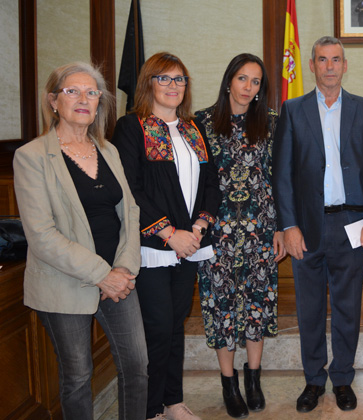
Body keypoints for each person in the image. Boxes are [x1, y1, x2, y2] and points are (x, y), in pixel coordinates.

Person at [13, 62, 147, 419]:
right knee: (77, 377)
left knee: (137, 366)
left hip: (119, 277)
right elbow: (41, 235)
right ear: (53, 100)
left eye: (92, 92)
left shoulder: (109, 151)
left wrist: (123, 268)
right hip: (64, 281)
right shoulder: (31, 157)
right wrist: (102, 274)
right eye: (72, 91)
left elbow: (130, 213)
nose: (84, 99)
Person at [273, 36, 363, 413]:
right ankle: (313, 380)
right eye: (323, 60)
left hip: (352, 222)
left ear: (345, 65)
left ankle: (342, 378)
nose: (330, 66)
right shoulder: (293, 109)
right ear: (312, 65)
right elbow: (282, 174)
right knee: (309, 308)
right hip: (306, 226)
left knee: (348, 306)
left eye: (336, 59)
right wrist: (288, 226)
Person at [113, 52, 221, 420]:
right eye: (164, 78)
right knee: (157, 329)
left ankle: (173, 401)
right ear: (148, 83)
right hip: (153, 247)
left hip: (190, 244)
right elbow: (129, 188)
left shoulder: (193, 128)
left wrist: (198, 228)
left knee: (175, 325)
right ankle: (149, 409)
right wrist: (169, 233)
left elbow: (211, 183)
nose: (173, 85)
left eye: (179, 79)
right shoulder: (132, 127)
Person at [195, 53, 286, 418]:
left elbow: (280, 178)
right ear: (229, 80)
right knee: (221, 307)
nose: (248, 87)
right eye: (242, 79)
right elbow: (195, 181)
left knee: (256, 305)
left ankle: (253, 379)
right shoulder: (201, 122)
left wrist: (281, 227)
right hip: (217, 232)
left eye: (256, 81)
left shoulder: (272, 122)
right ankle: (229, 383)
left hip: (261, 230)